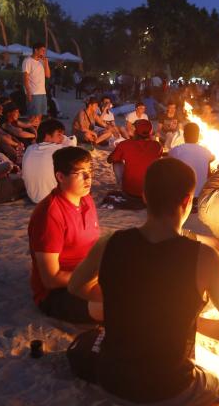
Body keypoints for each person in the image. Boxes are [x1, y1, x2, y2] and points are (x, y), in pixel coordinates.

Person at [67, 158, 219, 406]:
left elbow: (76, 287)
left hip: (110, 376)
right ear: (187, 200)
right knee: (217, 391)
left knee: (139, 359)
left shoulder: (111, 243)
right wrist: (195, 319)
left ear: (144, 196)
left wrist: (123, 299)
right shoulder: (202, 258)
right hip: (167, 384)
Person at [28, 147, 101, 323]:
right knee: (122, 306)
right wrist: (97, 275)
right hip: (59, 292)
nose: (88, 178)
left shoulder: (86, 200)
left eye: (89, 171)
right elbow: (51, 279)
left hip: (88, 275)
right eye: (80, 173)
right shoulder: (50, 214)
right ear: (60, 177)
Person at [107, 119, 162, 200]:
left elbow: (110, 160)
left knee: (117, 161)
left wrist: (119, 150)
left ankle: (120, 184)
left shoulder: (125, 144)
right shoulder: (157, 146)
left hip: (130, 190)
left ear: (136, 131)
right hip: (149, 191)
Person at [22, 119, 74, 203]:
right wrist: (66, 140)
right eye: (59, 135)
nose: (61, 138)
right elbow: (73, 147)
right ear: (47, 136)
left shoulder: (30, 148)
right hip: (54, 199)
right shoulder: (59, 149)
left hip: (33, 198)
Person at [169, 122, 215, 200]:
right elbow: (212, 158)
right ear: (197, 136)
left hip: (183, 194)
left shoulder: (177, 150)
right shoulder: (206, 151)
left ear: (184, 136)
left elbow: (169, 157)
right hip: (200, 194)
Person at [22, 42, 51, 119]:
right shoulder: (28, 61)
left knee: (40, 117)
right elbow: (25, 79)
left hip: (42, 92)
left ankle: (35, 131)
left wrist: (46, 62)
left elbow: (48, 75)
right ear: (36, 50)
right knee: (33, 117)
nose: (44, 52)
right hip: (33, 93)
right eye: (42, 50)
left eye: (44, 51)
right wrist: (28, 93)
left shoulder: (42, 62)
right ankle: (30, 131)